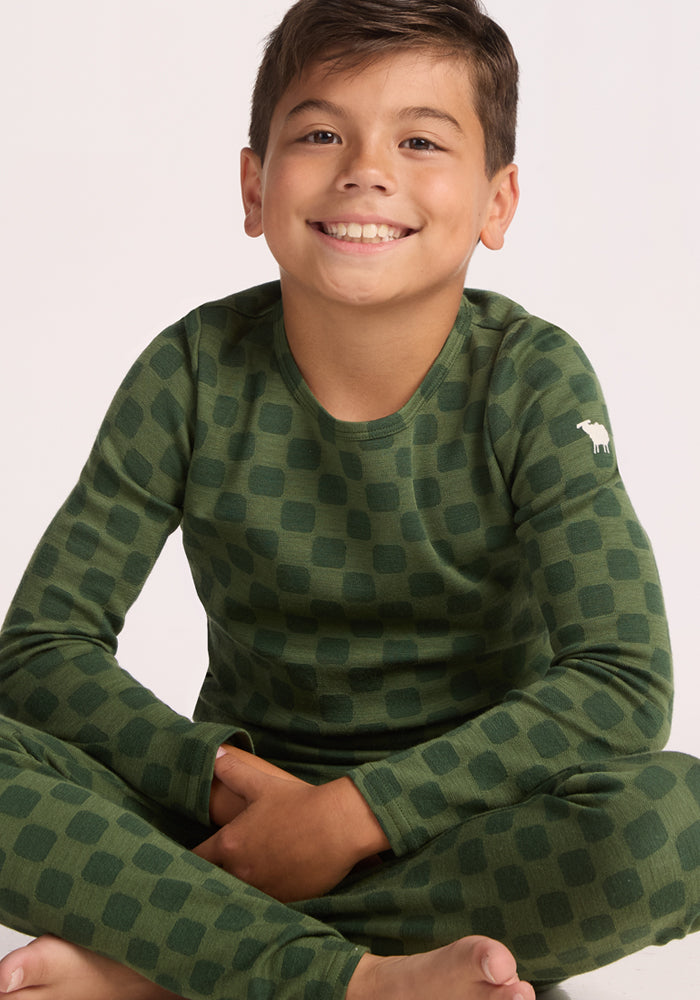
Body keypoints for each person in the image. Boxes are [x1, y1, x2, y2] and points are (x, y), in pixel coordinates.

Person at [0, 1, 698, 998]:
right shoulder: (193, 371)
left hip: (464, 833)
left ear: (497, 202)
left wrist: (348, 819)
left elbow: (620, 680)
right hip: (226, 827)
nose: (365, 168)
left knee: (675, 821)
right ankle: (357, 978)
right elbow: (39, 650)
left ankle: (165, 964)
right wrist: (221, 781)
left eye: (419, 139)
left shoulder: (529, 380)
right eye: (321, 133)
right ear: (254, 185)